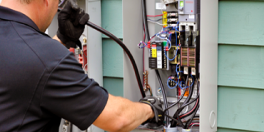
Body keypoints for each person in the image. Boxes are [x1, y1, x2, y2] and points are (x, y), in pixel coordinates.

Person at [0, 0, 163, 131]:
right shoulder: (45, 57)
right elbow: (117, 118)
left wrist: (61, 40)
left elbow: (27, 68)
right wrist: (151, 108)